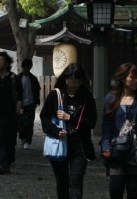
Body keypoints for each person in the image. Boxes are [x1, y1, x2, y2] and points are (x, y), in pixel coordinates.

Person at [40, 63, 97, 199]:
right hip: (59, 143)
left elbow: (91, 122)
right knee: (62, 182)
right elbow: (44, 117)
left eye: (77, 79)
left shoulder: (86, 97)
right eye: (71, 78)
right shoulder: (56, 95)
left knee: (75, 182)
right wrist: (55, 130)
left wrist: (70, 117)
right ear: (65, 78)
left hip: (80, 145)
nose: (74, 83)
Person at [101, 63, 137, 199]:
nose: (136, 81)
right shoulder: (111, 99)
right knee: (115, 189)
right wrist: (105, 145)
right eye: (132, 77)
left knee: (134, 191)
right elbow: (106, 124)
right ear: (122, 78)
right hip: (117, 150)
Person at [17, 58, 41, 149]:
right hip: (20, 104)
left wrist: (36, 102)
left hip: (31, 103)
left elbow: (37, 91)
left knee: (30, 123)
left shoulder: (33, 79)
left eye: (28, 67)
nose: (26, 68)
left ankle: (28, 141)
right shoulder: (18, 78)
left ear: (30, 67)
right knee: (21, 123)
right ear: (22, 67)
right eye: (25, 67)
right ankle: (23, 139)